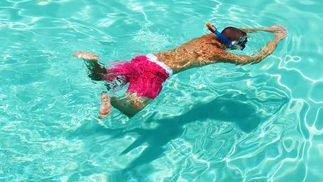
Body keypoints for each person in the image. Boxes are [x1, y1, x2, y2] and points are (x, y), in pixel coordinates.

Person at [73, 24, 287, 119]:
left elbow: (235, 30)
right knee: (132, 109)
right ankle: (111, 98)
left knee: (100, 76)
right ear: (231, 44)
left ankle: (95, 65)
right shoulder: (218, 54)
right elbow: (254, 59)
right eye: (242, 42)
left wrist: (264, 29)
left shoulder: (208, 37)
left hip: (147, 59)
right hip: (158, 72)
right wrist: (276, 39)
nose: (243, 44)